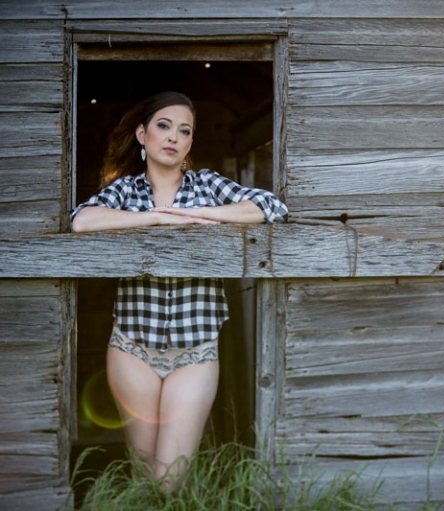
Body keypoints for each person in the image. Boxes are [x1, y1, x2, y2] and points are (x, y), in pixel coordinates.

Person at [70, 91, 288, 491]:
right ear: (142, 134)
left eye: (183, 131)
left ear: (189, 143)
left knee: (170, 479)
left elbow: (270, 207)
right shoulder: (127, 192)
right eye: (163, 126)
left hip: (195, 352)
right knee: (144, 475)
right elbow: (81, 221)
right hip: (132, 349)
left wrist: (195, 213)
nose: (173, 137)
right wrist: (152, 219)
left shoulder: (206, 185)